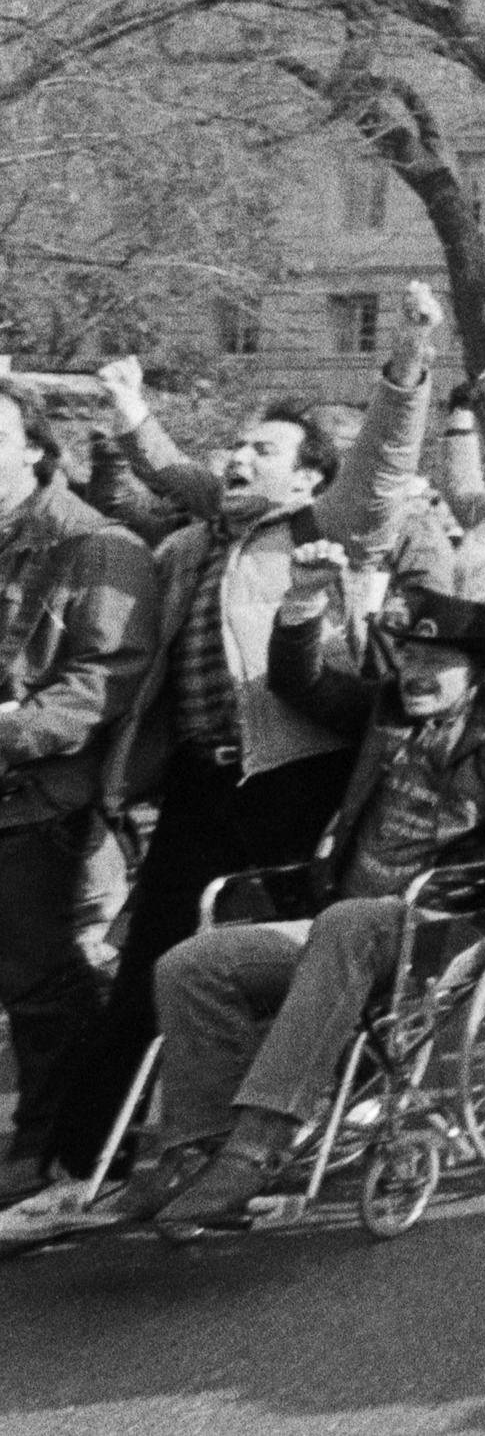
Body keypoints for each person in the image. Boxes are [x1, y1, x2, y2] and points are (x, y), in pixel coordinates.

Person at [27, 282, 439, 1190]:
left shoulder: (324, 528)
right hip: (201, 785)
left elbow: (376, 468)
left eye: (264, 449)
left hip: (297, 779)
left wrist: (408, 363)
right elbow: (178, 478)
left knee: (275, 963)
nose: (240, 457)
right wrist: (130, 411)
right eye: (238, 446)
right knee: (153, 963)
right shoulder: (200, 534)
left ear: (307, 479)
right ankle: (82, 1165)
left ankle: (310, 1112)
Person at [125, 570, 485, 1236]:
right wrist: (299, 610)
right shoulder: (383, 708)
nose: (415, 671)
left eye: (436, 660)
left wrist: (432, 892)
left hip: (447, 926)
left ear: (484, 672)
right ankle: (200, 1146)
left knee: (347, 922)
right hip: (345, 922)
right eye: (409, 654)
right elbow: (300, 684)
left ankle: (255, 1149)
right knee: (189, 962)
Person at [0, 378, 156, 1206]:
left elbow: (105, 680)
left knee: (38, 976)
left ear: (33, 446)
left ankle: (53, 1146)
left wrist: (12, 730)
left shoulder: (96, 544)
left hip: (40, 796)